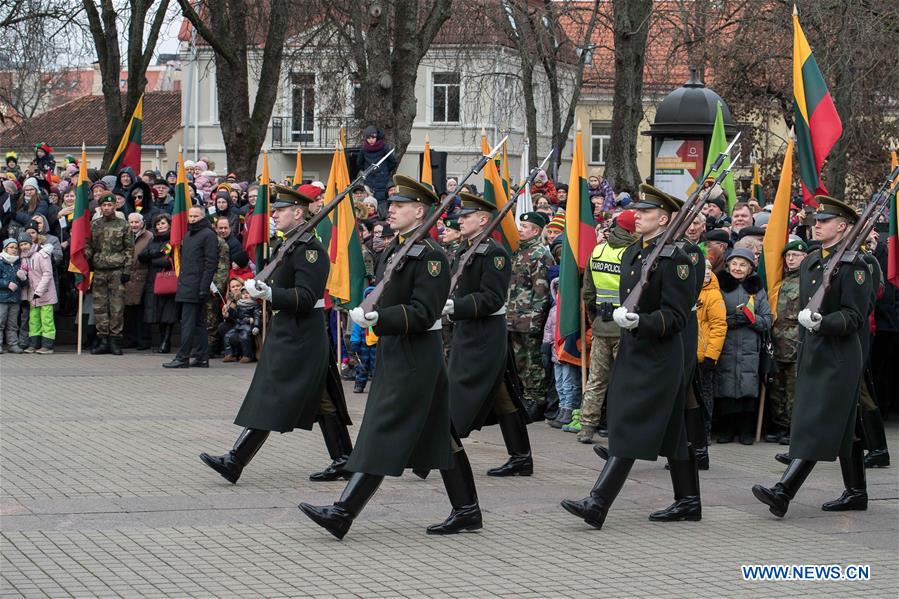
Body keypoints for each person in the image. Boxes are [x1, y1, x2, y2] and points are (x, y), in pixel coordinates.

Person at [299, 175, 482, 538]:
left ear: (420, 211)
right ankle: (467, 510)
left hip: (417, 355)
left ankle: (343, 512)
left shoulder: (430, 257)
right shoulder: (393, 249)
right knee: (441, 436)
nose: (390, 209)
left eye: (400, 205)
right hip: (397, 351)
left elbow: (424, 312)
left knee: (383, 431)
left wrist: (380, 318)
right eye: (391, 204)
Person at [561, 184, 697, 529]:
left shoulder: (677, 257)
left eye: (645, 212)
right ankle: (689, 500)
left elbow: (677, 316)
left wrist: (640, 321)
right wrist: (615, 311)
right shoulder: (636, 253)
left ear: (664, 219)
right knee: (673, 431)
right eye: (636, 211)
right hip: (637, 348)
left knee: (632, 423)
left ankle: (598, 501)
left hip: (660, 354)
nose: (635, 216)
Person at [200, 185, 353, 483]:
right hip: (291, 332)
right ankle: (344, 459)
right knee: (322, 400)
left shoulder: (309, 250)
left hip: (302, 334)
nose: (274, 215)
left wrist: (272, 293)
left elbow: (306, 297)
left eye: (280, 210)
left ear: (298, 213)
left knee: (271, 395)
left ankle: (236, 460)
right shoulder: (288, 245)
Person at [752, 197, 871, 518]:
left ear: (843, 226)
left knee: (819, 422)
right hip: (812, 353)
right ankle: (857, 491)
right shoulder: (811, 261)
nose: (815, 225)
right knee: (848, 426)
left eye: (824, 221)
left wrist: (824, 322)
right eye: (815, 221)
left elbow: (855, 315)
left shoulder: (854, 264)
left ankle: (783, 491)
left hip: (839, 356)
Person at [444, 192, 531, 477]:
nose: (461, 220)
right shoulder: (465, 248)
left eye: (467, 216)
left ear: (483, 220)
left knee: (457, 392)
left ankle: (440, 449)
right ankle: (521, 457)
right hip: (468, 330)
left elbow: (492, 298)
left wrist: (456, 305)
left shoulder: (494, 252)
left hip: (485, 333)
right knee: (503, 395)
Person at [578, 210, 637, 443]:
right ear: (632, 230)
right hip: (626, 326)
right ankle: (620, 428)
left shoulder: (598, 250)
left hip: (602, 324)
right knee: (624, 380)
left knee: (596, 379)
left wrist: (596, 316)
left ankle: (586, 427)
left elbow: (589, 292)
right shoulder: (634, 253)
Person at [714, 247, 772, 445]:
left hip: (750, 349)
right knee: (725, 387)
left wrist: (750, 319)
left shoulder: (758, 290)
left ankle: (746, 431)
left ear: (750, 269)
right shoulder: (718, 287)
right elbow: (712, 317)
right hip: (726, 346)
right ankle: (726, 430)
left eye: (743, 265)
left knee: (748, 387)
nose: (738, 268)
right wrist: (730, 320)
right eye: (735, 263)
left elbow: (767, 320)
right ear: (728, 264)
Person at [507, 212, 555, 420]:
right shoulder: (519, 252)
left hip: (530, 318)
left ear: (536, 231)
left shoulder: (540, 254)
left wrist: (535, 319)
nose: (520, 229)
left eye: (525, 226)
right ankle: (525, 396)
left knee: (533, 361)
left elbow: (541, 291)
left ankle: (537, 401)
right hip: (514, 317)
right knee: (520, 362)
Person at [163, 205, 218, 368]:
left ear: (203, 217)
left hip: (196, 285)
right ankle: (202, 356)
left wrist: (204, 286)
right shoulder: (188, 235)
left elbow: (210, 263)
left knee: (187, 323)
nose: (192, 219)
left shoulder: (208, 235)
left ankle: (183, 357)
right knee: (198, 322)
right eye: (191, 216)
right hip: (186, 283)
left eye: (196, 216)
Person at [765, 239, 808, 444]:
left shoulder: (808, 282)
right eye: (788, 256)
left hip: (795, 344)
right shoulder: (779, 280)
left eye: (795, 256)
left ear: (804, 257)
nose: (790, 259)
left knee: (794, 390)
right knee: (777, 389)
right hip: (777, 342)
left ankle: (794, 429)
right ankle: (781, 426)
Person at [85, 193, 134, 355]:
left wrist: (127, 270)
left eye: (109, 205)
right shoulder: (95, 225)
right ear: (100, 207)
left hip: (117, 269)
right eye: (104, 206)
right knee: (100, 306)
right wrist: (86, 256)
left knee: (117, 307)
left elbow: (129, 249)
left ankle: (115, 340)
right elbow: (89, 245)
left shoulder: (123, 225)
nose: (107, 208)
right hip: (99, 269)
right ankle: (103, 339)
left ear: (115, 206)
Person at [695, 258, 726, 468]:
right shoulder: (690, 290)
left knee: (704, 401)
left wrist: (711, 356)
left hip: (703, 358)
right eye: (701, 270)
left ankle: (702, 441)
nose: (706, 273)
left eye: (708, 270)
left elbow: (719, 326)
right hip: (687, 356)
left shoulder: (714, 295)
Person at [139, 214, 178, 353]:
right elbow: (141, 256)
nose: (160, 226)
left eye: (162, 223)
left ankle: (166, 341)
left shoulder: (172, 241)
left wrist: (154, 259)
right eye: (158, 224)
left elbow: (170, 260)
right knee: (159, 313)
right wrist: (152, 253)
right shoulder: (153, 240)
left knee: (168, 313)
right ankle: (162, 340)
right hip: (154, 280)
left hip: (167, 279)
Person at [18, 236, 57, 354]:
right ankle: (34, 344)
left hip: (45, 294)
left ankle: (47, 345)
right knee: (33, 320)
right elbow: (27, 273)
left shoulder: (41, 255)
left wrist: (39, 291)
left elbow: (47, 274)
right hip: (32, 295)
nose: (23, 247)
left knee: (46, 320)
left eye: (25, 243)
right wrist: (21, 275)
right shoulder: (24, 258)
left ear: (31, 243)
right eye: (21, 245)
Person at [122, 213, 153, 350]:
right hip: (127, 277)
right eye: (131, 222)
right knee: (128, 311)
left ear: (142, 223)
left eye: (136, 222)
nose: (134, 225)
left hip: (143, 277)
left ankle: (143, 340)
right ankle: (130, 339)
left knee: (141, 311)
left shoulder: (149, 236)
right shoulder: (124, 235)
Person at [356, 126, 397, 216]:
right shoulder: (363, 149)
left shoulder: (384, 147)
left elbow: (393, 161)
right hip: (369, 182)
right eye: (369, 138)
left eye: (373, 138)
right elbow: (359, 163)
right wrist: (368, 170)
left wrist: (384, 170)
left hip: (382, 181)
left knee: (382, 206)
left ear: (377, 137)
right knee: (369, 206)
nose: (371, 140)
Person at [349, 287, 377, 393]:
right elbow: (356, 328)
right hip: (364, 344)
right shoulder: (361, 312)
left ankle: (376, 386)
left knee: (376, 366)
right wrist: (355, 341)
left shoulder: (379, 311)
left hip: (376, 343)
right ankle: (359, 384)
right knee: (362, 365)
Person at [221, 286, 261, 363]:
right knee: (227, 335)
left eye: (248, 293)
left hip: (247, 325)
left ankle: (247, 355)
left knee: (244, 337)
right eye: (243, 293)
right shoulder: (239, 304)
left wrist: (256, 325)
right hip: (238, 325)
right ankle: (230, 354)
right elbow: (235, 314)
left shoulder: (255, 305)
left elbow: (257, 316)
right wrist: (229, 311)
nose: (245, 295)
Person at [0, 238, 26, 353]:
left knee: (13, 323)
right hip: (2, 298)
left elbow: (24, 283)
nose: (14, 250)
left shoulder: (19, 263)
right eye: (11, 247)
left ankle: (13, 344)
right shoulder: (1, 262)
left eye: (16, 248)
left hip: (15, 299)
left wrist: (23, 278)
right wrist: (6, 284)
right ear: (5, 249)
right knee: (0, 323)